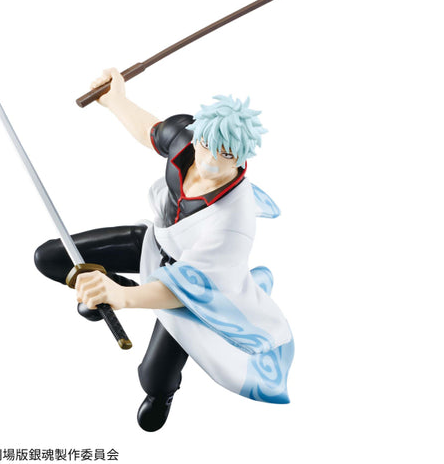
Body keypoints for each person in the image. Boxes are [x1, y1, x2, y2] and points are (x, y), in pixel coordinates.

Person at [34, 68, 294, 431]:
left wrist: (123, 298)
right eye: (207, 144)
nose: (210, 161)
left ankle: (162, 393)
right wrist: (115, 99)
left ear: (240, 157)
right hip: (155, 244)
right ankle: (113, 284)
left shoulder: (234, 221)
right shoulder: (187, 140)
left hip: (193, 291)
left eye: (225, 154)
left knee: (153, 376)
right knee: (51, 257)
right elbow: (149, 130)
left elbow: (187, 286)